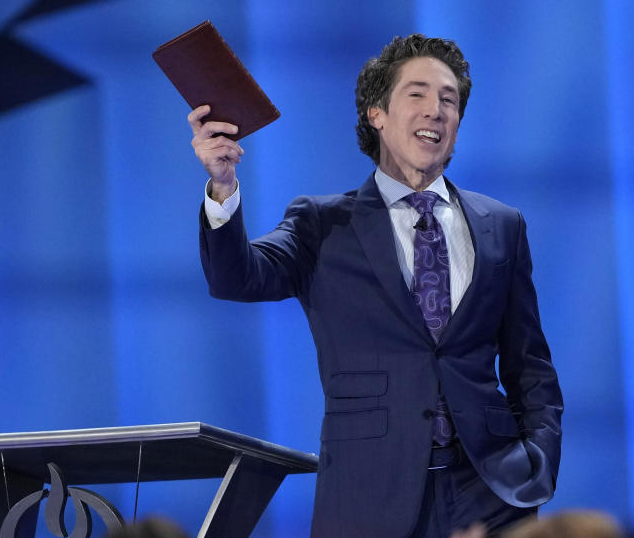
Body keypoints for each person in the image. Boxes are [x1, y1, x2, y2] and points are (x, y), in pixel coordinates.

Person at [189, 34, 563, 537]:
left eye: (448, 100)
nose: (436, 110)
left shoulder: (502, 224)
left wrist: (536, 465)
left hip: (491, 492)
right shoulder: (320, 224)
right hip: (368, 495)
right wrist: (222, 187)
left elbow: (529, 364)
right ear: (376, 114)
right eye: (417, 94)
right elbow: (237, 278)